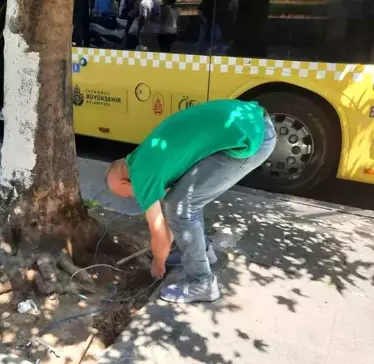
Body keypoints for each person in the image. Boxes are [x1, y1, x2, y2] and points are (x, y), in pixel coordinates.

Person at [105, 99, 277, 303]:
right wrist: (166, 246)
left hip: (251, 138)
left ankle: (202, 282)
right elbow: (171, 203)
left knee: (179, 208)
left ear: (125, 181)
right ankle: (203, 255)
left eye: (127, 194)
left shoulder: (140, 175)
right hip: (252, 120)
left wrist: (159, 262)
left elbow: (159, 230)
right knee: (184, 200)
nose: (134, 197)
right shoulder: (140, 157)